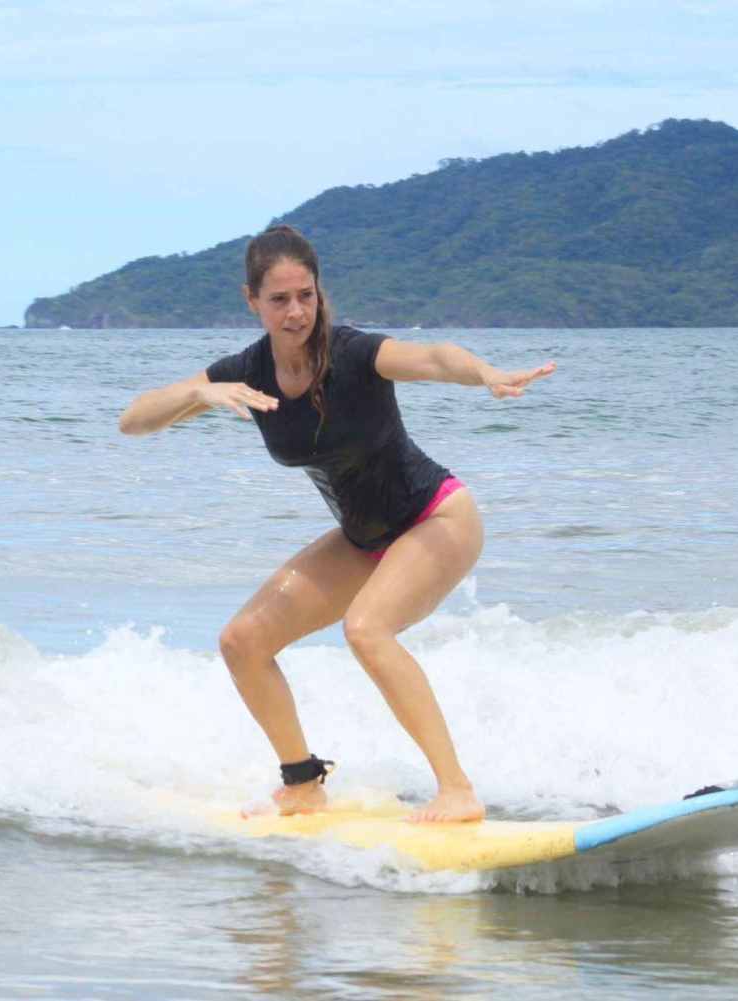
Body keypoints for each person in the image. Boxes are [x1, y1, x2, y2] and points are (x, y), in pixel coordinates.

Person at [118, 226, 555, 823]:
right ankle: (302, 782)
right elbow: (134, 420)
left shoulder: (354, 354)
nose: (296, 311)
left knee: (367, 630)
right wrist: (203, 391)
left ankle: (457, 790)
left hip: (437, 515)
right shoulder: (245, 372)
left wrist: (484, 373)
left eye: (306, 294)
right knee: (242, 642)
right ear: (252, 301)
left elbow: (431, 358)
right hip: (363, 538)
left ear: (319, 291)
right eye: (279, 299)